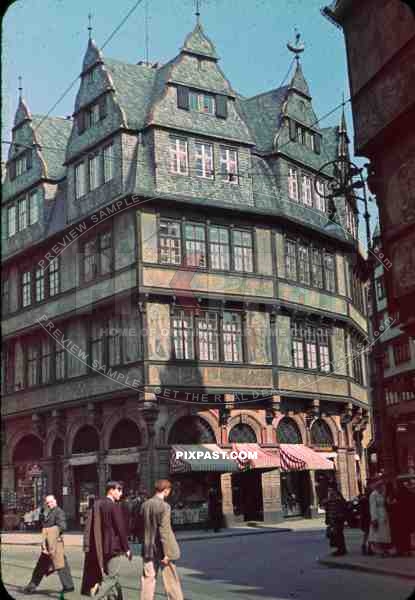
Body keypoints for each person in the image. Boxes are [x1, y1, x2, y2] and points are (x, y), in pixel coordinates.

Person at [81, 481, 132, 599]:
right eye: (119, 490)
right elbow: (120, 529)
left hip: (101, 547)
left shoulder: (98, 504)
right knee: (111, 578)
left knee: (110, 575)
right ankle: (96, 596)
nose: (121, 493)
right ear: (111, 490)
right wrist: (127, 548)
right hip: (114, 548)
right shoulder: (114, 506)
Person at [140, 479, 184, 600]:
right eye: (169, 491)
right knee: (171, 581)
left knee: (148, 580)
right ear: (166, 490)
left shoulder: (145, 505)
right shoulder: (165, 506)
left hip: (148, 548)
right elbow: (165, 531)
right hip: (162, 550)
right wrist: (168, 553)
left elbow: (139, 527)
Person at [23, 494, 75, 594]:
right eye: (47, 503)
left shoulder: (59, 512)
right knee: (46, 564)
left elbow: (63, 526)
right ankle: (32, 586)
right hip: (48, 544)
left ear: (55, 501)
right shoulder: (48, 512)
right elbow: (43, 525)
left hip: (55, 544)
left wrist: (48, 531)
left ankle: (68, 586)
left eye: (51, 502)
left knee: (59, 564)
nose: (49, 504)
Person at [368, 478, 392, 557]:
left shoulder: (382, 494)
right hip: (378, 515)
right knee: (378, 534)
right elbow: (372, 507)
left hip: (384, 514)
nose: (383, 487)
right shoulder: (373, 494)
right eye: (381, 486)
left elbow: (385, 504)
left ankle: (385, 550)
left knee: (385, 534)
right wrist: (374, 518)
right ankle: (380, 551)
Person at [325, 486, 348, 556]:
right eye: (329, 492)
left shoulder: (339, 501)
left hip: (338, 521)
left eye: (331, 492)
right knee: (335, 535)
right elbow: (327, 511)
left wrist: (342, 518)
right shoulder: (329, 502)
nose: (330, 494)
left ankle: (341, 550)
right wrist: (327, 520)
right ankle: (340, 549)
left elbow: (344, 510)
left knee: (339, 535)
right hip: (333, 521)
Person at [394, 480, 414, 556]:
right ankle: (408, 550)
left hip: (400, 517)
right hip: (408, 517)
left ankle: (402, 550)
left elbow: (395, 505)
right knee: (408, 535)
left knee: (401, 535)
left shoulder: (398, 494)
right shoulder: (410, 494)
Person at [359, 483, 374, 556]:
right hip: (368, 518)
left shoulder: (363, 499)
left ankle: (366, 546)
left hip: (365, 518)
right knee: (369, 533)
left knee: (367, 533)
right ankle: (368, 548)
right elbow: (367, 510)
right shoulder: (366, 499)